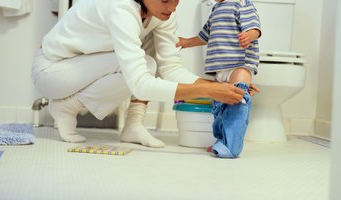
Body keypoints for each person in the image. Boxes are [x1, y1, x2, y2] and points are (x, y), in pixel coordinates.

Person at [31, 0, 253, 148]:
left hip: (84, 67)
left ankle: (133, 125)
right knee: (143, 64)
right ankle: (65, 106)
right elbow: (139, 82)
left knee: (147, 59)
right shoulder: (120, 7)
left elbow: (171, 68)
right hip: (53, 71)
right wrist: (207, 90)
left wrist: (219, 84)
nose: (173, 6)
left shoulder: (163, 13)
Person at [176, 0, 261, 157]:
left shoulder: (241, 3)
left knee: (236, 103)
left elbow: (255, 28)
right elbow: (205, 36)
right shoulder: (215, 9)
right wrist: (187, 42)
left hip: (240, 64)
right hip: (220, 68)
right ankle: (221, 140)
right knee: (220, 106)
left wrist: (249, 36)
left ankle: (231, 146)